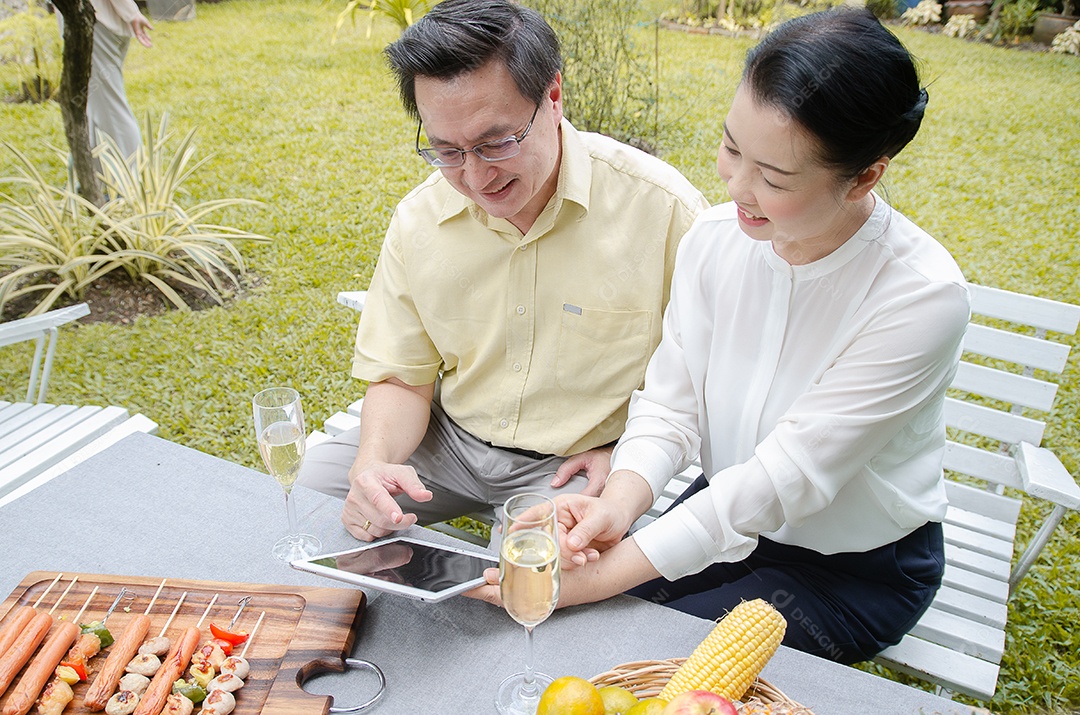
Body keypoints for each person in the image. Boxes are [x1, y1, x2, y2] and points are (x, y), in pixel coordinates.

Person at [467, 8, 970, 665]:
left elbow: (778, 482)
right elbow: (670, 404)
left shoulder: (919, 298)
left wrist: (588, 580)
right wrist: (617, 502)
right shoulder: (715, 239)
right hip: (719, 511)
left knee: (635, 651)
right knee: (592, 634)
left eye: (775, 177)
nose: (736, 187)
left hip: (850, 568)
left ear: (866, 175)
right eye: (733, 147)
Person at [297, 0, 709, 542]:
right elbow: (402, 375)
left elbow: (710, 376)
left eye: (496, 143)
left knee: (528, 573)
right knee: (309, 498)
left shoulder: (664, 211)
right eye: (446, 150)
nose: (474, 175)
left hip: (573, 464)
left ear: (553, 97)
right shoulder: (419, 220)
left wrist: (628, 452)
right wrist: (371, 465)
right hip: (446, 440)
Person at [65, 0, 153, 160]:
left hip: (96, 24)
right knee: (92, 109)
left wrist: (131, 12)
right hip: (96, 23)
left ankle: (128, 178)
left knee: (111, 111)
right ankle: (92, 177)